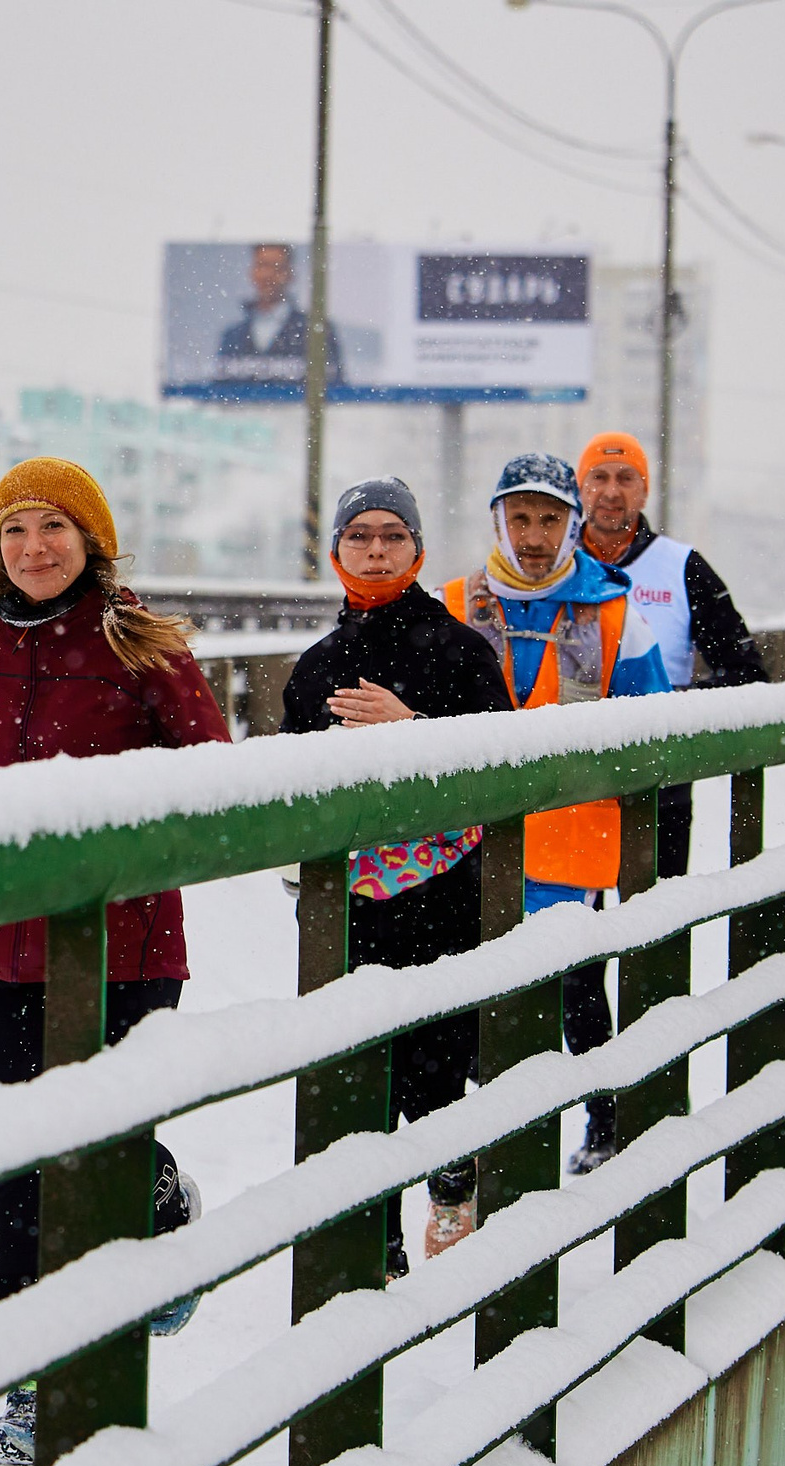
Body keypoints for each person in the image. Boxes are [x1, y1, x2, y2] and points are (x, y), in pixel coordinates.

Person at [0, 456, 233, 1466]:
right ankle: (35, 1387)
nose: (34, 549)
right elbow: (4, 776)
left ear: (91, 540)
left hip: (124, 943)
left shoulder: (141, 641)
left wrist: (117, 831)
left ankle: (160, 1201)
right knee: (21, 1161)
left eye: (53, 529)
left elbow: (211, 774)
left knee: (100, 1152)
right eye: (14, 532)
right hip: (4, 945)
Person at [281, 478, 513, 1268]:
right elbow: (287, 783)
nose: (375, 549)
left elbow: (502, 765)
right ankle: (372, 1235)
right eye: (359, 535)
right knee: (355, 1077)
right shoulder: (314, 667)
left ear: (417, 549)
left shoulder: (459, 648)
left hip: (445, 896)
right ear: (336, 549)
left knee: (435, 1064)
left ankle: (452, 1178)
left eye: (392, 534)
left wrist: (413, 729)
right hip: (348, 904)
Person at [442, 453, 673, 1186]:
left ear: (571, 523)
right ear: (498, 522)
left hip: (573, 837)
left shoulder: (614, 611)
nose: (534, 535)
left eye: (549, 518)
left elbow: (653, 716)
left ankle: (600, 1117)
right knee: (475, 992)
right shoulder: (452, 604)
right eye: (520, 518)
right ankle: (485, 1141)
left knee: (572, 987)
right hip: (469, 840)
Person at [576, 431, 770, 883]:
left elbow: (747, 673)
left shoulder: (683, 567)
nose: (610, 491)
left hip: (660, 783)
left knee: (651, 931)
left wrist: (670, 701)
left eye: (626, 478)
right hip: (570, 786)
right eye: (597, 477)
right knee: (571, 937)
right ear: (580, 489)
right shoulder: (555, 568)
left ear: (645, 490)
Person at [213, 243, 343, 386]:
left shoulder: (315, 331)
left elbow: (333, 392)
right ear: (252, 273)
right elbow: (220, 392)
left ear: (290, 274)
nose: (268, 275)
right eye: (262, 266)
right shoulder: (233, 336)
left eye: (276, 267)